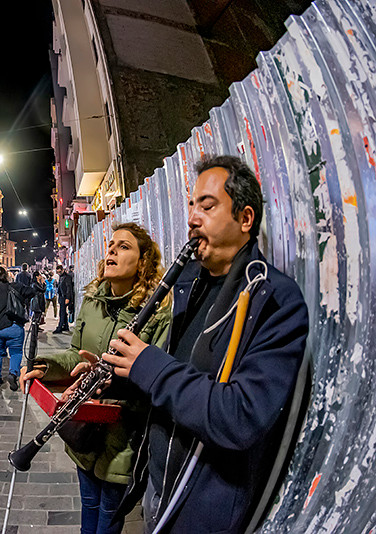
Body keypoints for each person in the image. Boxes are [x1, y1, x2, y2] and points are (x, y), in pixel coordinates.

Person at [106, 156, 309, 533]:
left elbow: (240, 416)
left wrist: (148, 365)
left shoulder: (276, 299)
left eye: (207, 206)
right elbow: (179, 379)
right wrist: (118, 377)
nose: (192, 218)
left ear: (245, 219)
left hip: (205, 510)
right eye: (191, 205)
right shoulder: (190, 285)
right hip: (160, 488)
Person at [21, 223, 172, 534]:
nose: (112, 250)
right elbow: (76, 354)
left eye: (124, 246)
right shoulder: (93, 301)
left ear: (143, 261)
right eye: (111, 244)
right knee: (88, 508)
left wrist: (111, 380)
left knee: (108, 518)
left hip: (123, 439)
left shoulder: (159, 313)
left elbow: (158, 379)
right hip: (84, 432)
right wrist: (45, 366)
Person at [0, 266, 39, 391]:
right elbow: (31, 292)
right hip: (14, 326)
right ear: (6, 276)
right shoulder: (16, 287)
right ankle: (13, 374)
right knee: (16, 353)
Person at [53, 264, 74, 334]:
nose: (58, 273)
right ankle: (65, 326)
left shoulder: (67, 277)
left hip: (65, 297)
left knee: (61, 313)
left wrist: (67, 298)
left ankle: (60, 327)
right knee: (63, 312)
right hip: (61, 296)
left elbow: (69, 288)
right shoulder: (61, 277)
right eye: (57, 272)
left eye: (59, 272)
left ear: (62, 270)